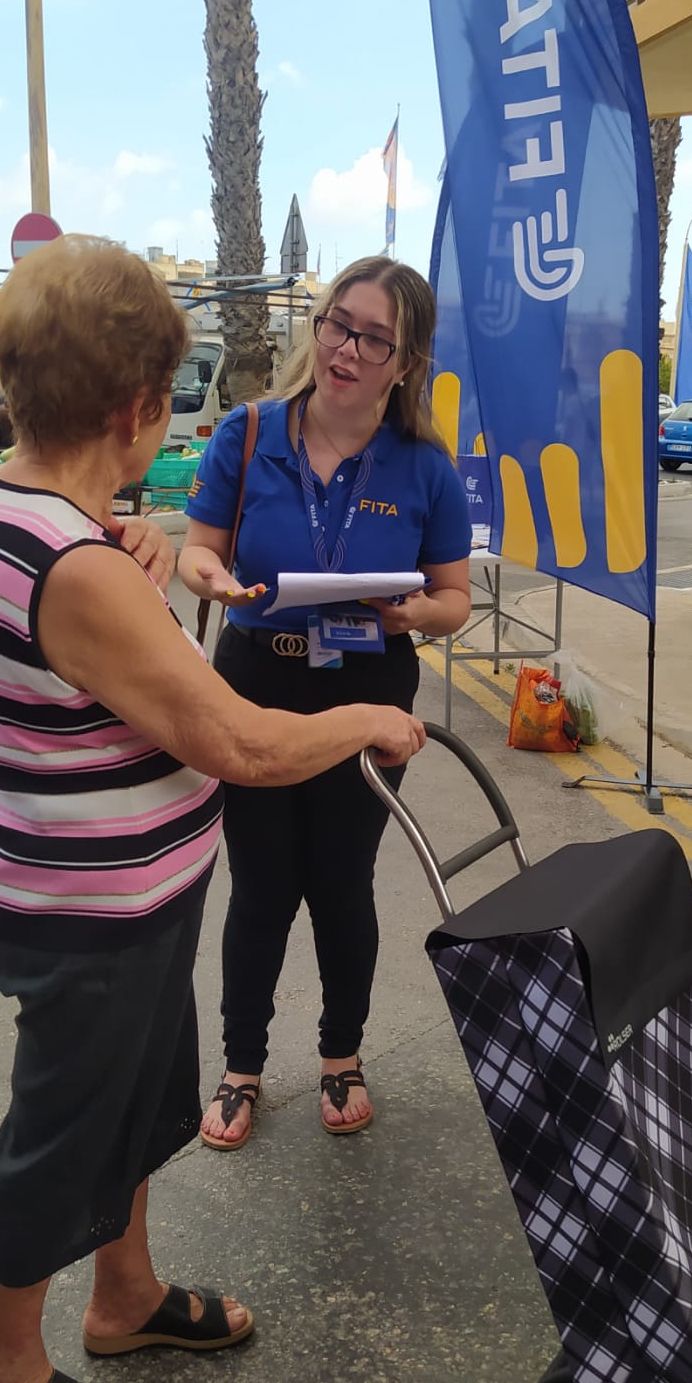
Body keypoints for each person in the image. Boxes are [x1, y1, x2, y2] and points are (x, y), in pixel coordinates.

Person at [0, 236, 425, 1383]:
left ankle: (125, 1294)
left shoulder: (4, 505)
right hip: (84, 907)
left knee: (144, 1099)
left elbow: (81, 616)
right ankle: (4, 1373)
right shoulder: (69, 557)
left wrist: (131, 535)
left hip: (121, 888)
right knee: (59, 1129)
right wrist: (368, 714)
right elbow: (240, 743)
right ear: (140, 406)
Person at [180, 255, 472, 1150]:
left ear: (405, 358)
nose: (345, 348)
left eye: (373, 337)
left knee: (342, 883)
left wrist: (413, 610)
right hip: (256, 679)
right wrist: (219, 580)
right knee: (262, 882)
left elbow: (455, 599)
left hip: (369, 685)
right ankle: (241, 1067)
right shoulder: (251, 429)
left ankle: (341, 1055)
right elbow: (196, 551)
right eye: (337, 323)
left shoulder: (424, 464)